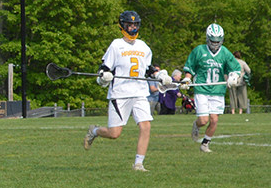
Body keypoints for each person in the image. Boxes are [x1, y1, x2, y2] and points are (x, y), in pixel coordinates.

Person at [83, 11, 172, 172]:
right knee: (114, 133)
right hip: (120, 94)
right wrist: (104, 76)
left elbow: (147, 69)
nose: (133, 28)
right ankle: (94, 131)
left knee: (146, 126)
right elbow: (104, 68)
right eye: (129, 25)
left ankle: (138, 164)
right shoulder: (116, 45)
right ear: (122, 25)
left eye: (135, 25)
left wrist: (159, 75)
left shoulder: (143, 46)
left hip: (139, 93)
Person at [181, 23, 241, 152]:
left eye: (217, 41)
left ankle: (205, 144)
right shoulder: (199, 50)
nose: (215, 43)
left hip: (218, 90)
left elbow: (236, 68)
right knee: (203, 120)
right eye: (213, 41)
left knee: (214, 120)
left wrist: (233, 76)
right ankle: (196, 126)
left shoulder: (224, 52)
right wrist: (187, 78)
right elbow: (190, 67)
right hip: (202, 89)